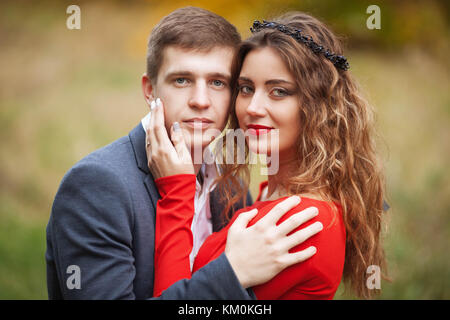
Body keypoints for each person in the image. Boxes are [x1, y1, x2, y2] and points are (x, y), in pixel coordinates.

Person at [45, 7, 322, 300]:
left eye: (217, 82)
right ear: (150, 90)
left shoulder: (232, 187)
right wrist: (232, 272)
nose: (200, 101)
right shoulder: (97, 186)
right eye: (182, 80)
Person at [147, 12, 388, 299]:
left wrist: (176, 194)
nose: (253, 107)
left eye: (278, 91)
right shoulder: (268, 194)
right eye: (246, 88)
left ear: (317, 106)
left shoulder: (303, 221)